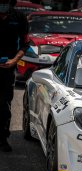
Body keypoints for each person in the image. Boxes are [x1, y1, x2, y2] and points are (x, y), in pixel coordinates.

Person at [0, 0, 30, 152]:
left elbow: (26, 44)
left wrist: (14, 60)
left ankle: (3, 138)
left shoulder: (19, 18)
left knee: (4, 105)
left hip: (7, 69)